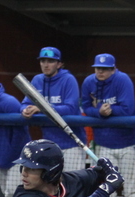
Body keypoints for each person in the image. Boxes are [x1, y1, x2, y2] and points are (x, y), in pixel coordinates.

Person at [81, 53, 135, 197]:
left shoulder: (123, 80)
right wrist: (98, 111)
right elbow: (85, 107)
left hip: (129, 143)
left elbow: (128, 109)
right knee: (107, 190)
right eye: (98, 68)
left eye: (105, 69)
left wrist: (108, 110)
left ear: (113, 69)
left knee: (131, 190)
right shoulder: (89, 82)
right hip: (104, 144)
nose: (100, 72)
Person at [20, 47, 86, 176]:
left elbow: (71, 108)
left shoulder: (68, 79)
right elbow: (25, 103)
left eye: (50, 61)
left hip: (72, 143)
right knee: (51, 184)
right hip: (49, 145)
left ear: (59, 64)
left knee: (73, 183)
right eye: (43, 61)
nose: (46, 65)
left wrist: (42, 108)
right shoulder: (37, 80)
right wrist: (25, 110)